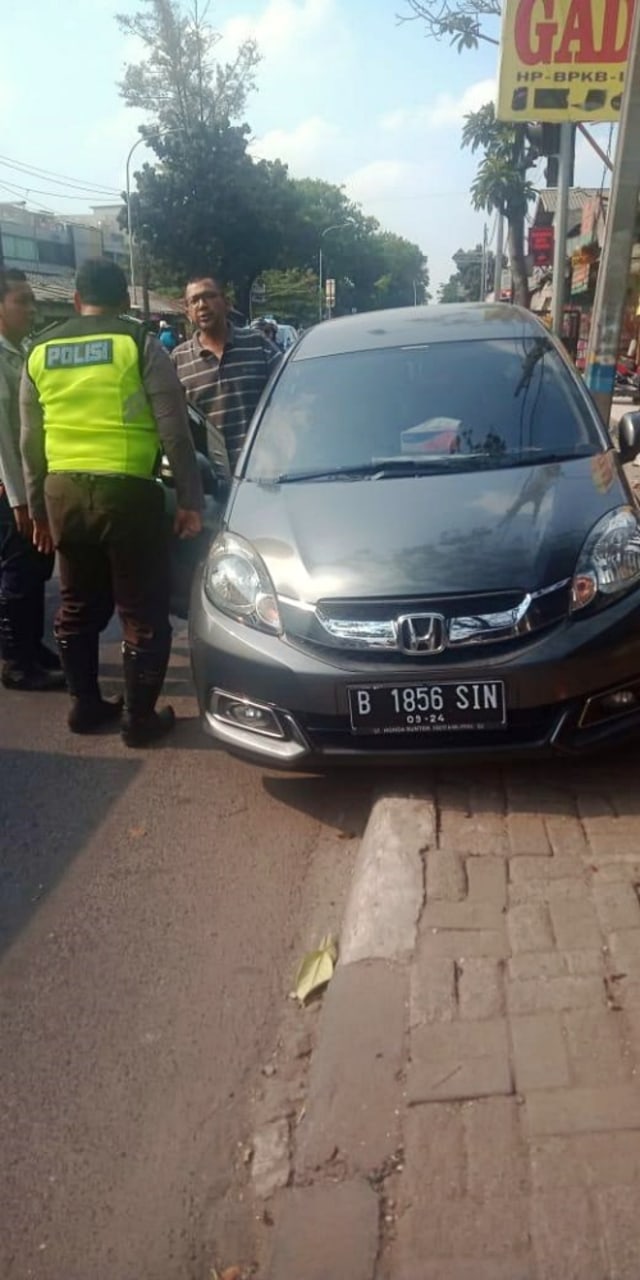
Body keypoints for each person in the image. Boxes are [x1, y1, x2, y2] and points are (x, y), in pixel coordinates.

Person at [20, 257, 203, 746]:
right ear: (125, 300)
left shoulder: (38, 350)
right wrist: (189, 498)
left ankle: (85, 705)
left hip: (63, 493)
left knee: (77, 603)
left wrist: (38, 509)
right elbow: (174, 430)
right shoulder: (137, 342)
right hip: (128, 492)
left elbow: (29, 442)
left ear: (77, 300)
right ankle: (139, 720)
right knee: (142, 612)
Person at [0, 268, 64, 691]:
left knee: (38, 566)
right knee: (20, 572)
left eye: (31, 300)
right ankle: (16, 661)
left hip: (26, 484)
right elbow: (4, 437)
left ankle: (30, 644)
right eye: (21, 300)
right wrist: (21, 500)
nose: (31, 308)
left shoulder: (18, 351)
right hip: (11, 489)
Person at [172, 275, 281, 474]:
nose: (202, 305)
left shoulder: (258, 345)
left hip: (262, 473)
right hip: (211, 484)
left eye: (209, 296)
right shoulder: (178, 361)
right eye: (194, 301)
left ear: (226, 303)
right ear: (187, 312)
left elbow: (289, 398)